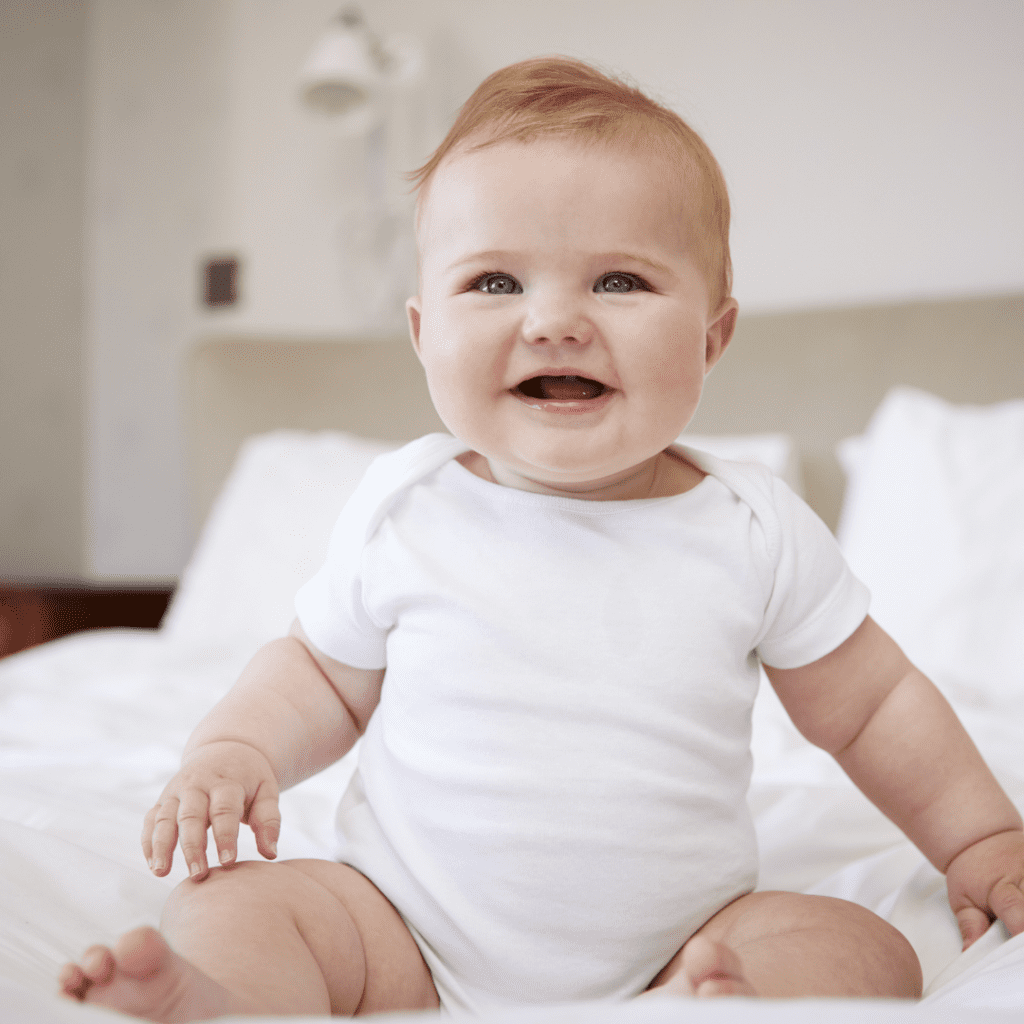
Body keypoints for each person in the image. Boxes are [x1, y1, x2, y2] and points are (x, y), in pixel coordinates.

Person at [60, 56, 1024, 1020]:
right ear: (423, 330)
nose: (556, 321)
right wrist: (234, 750)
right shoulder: (407, 507)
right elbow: (318, 675)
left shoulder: (750, 527)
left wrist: (979, 839)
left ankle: (718, 999)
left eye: (619, 280)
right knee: (245, 903)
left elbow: (872, 707)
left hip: (683, 938)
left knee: (867, 946)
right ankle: (227, 999)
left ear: (712, 336)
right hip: (402, 933)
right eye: (494, 281)